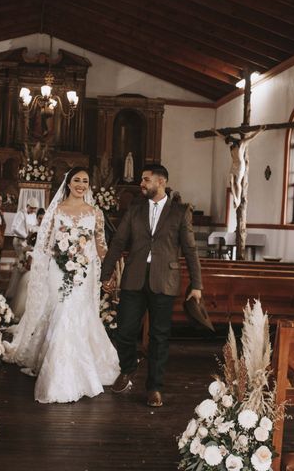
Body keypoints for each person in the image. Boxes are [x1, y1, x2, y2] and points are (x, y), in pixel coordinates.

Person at [3, 167, 119, 403]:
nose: (81, 184)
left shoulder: (95, 213)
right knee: (62, 312)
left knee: (79, 313)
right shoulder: (56, 210)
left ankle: (79, 367)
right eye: (77, 180)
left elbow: (100, 245)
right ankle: (57, 373)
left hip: (84, 273)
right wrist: (58, 259)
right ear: (68, 183)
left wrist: (112, 267)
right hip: (58, 269)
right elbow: (44, 246)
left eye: (85, 181)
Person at [101, 164, 202, 408]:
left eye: (146, 179)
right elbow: (118, 242)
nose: (142, 183)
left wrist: (196, 284)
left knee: (159, 337)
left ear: (161, 181)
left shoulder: (180, 211)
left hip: (164, 281)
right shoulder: (134, 209)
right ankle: (128, 369)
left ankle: (154, 387)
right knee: (124, 331)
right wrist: (105, 274)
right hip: (134, 278)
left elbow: (190, 249)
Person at [5, 197, 39, 299]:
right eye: (32, 208)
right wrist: (26, 236)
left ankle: (23, 290)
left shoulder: (33, 215)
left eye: (34, 209)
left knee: (27, 262)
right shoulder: (21, 214)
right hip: (19, 241)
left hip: (27, 242)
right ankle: (14, 291)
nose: (33, 211)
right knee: (22, 263)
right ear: (27, 206)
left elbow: (32, 227)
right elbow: (14, 228)